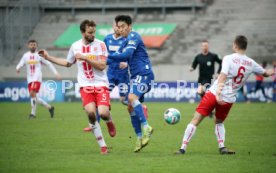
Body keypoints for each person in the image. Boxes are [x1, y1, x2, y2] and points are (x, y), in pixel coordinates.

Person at [175, 35, 274, 155]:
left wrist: (218, 93)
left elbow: (222, 76)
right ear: (245, 47)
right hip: (229, 99)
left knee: (196, 119)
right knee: (219, 122)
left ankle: (182, 148)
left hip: (214, 94)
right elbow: (266, 73)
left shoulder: (228, 58)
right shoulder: (251, 63)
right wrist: (273, 70)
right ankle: (222, 147)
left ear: (235, 45)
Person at [38, 20, 116, 154]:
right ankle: (103, 147)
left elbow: (102, 66)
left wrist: (86, 58)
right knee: (91, 114)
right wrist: (48, 57)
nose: (93, 35)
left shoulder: (101, 45)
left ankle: (109, 121)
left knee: (102, 113)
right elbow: (68, 63)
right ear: (82, 32)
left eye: (94, 32)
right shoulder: (75, 46)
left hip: (100, 84)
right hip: (85, 86)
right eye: (90, 32)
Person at [83, 21, 148, 132]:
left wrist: (126, 63)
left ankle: (142, 108)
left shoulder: (126, 39)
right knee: (102, 98)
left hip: (123, 75)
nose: (118, 28)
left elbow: (131, 55)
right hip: (110, 74)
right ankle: (94, 124)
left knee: (125, 100)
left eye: (120, 27)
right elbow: (102, 54)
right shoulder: (107, 39)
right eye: (116, 26)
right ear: (113, 27)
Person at [107, 15, 154, 152]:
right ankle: (140, 138)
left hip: (144, 74)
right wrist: (97, 60)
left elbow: (126, 54)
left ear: (129, 26)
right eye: (118, 27)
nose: (120, 29)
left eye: (122, 26)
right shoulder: (124, 41)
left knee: (131, 98)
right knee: (130, 107)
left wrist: (106, 55)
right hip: (136, 77)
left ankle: (147, 127)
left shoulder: (134, 36)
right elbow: (114, 59)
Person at [16, 39, 60, 119]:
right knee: (33, 96)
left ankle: (33, 114)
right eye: (31, 45)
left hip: (37, 78)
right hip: (29, 79)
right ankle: (50, 107)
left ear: (36, 46)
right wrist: (18, 68)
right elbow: (21, 63)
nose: (33, 46)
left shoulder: (39, 55)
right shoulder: (25, 56)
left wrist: (56, 73)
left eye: (34, 45)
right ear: (28, 46)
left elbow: (49, 63)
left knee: (32, 94)